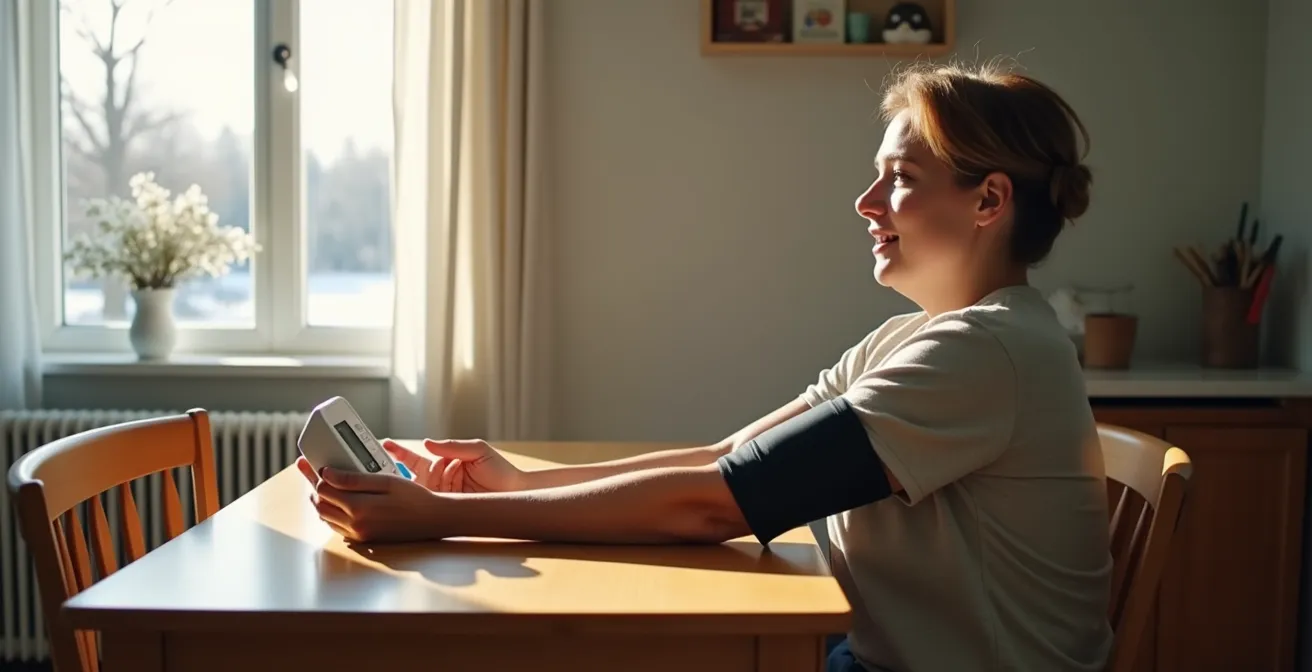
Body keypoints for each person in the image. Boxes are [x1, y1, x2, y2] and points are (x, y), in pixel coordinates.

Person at [296, 61, 1113, 672]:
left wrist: (437, 520)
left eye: (899, 180)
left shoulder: (982, 351)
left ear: (988, 201)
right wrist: (513, 485)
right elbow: (728, 462)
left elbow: (713, 505)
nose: (865, 202)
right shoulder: (918, 340)